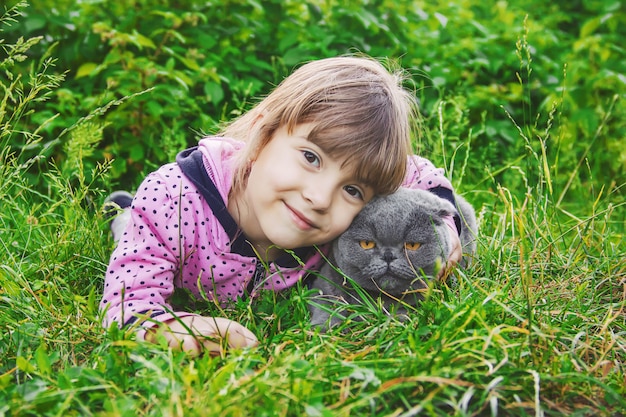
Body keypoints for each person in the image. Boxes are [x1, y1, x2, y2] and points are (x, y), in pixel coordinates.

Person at [100, 55, 462, 356]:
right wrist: (175, 330)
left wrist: (444, 224)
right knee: (132, 232)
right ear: (263, 134)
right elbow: (126, 304)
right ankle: (122, 213)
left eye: (351, 189)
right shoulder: (175, 199)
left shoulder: (327, 212)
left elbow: (420, 173)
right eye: (310, 157)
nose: (319, 199)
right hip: (157, 223)